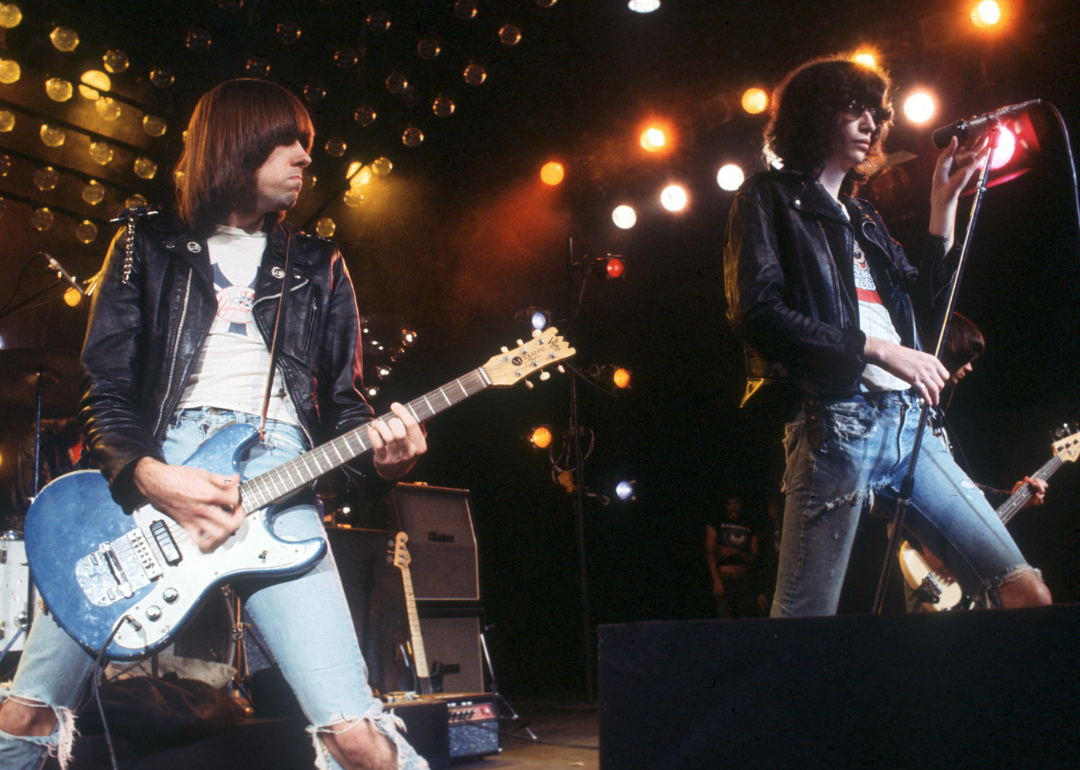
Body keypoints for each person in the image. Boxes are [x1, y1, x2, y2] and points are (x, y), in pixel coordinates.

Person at [0, 79, 429, 770]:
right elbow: (105, 387)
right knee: (24, 715)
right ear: (237, 144)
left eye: (306, 146)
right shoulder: (145, 244)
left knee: (357, 738)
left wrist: (389, 461)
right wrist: (148, 475)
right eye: (288, 142)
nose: (303, 159)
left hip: (280, 480)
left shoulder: (319, 265)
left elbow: (346, 411)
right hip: (153, 472)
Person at [723, 55, 1052, 617]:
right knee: (804, 627)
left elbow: (928, 311)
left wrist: (942, 205)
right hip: (836, 424)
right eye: (854, 108)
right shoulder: (768, 197)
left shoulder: (864, 218)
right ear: (814, 114)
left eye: (875, 113)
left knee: (1025, 593)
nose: (870, 123)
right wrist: (876, 349)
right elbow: (758, 312)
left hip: (910, 427)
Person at [705, 495, 760, 618]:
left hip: (744, 580)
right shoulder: (717, 522)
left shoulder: (750, 525)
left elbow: (754, 558)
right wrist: (716, 580)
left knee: (746, 622)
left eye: (736, 503)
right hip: (724, 579)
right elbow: (710, 553)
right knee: (725, 621)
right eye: (730, 504)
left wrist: (736, 552)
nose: (733, 507)